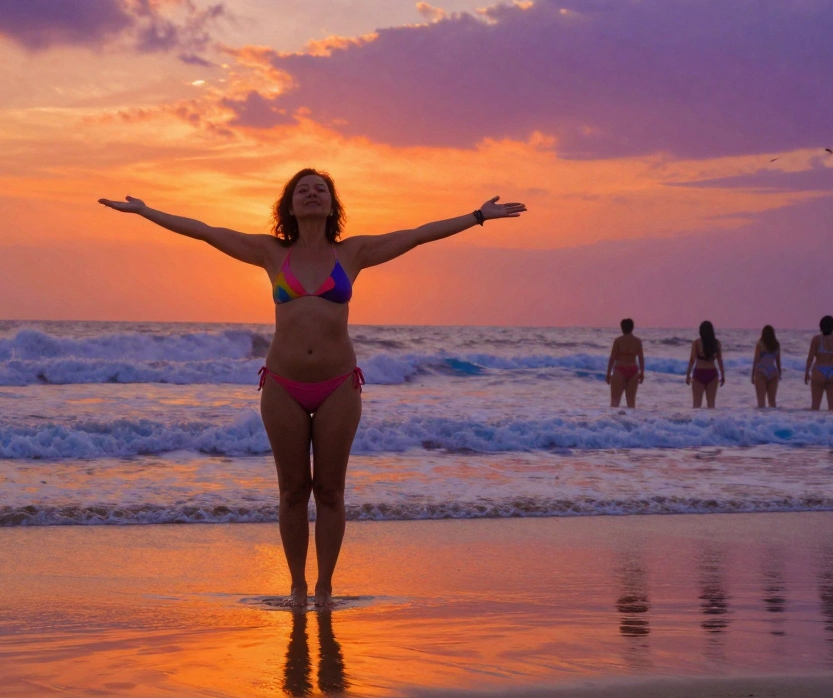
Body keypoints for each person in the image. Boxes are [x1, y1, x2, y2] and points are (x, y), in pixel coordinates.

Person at [100, 169, 526, 608]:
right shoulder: (269, 252)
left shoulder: (353, 253)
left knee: (330, 490)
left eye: (319, 189)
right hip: (283, 385)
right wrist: (146, 213)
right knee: (291, 491)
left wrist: (478, 215)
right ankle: (297, 587)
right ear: (289, 204)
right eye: (302, 190)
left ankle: (324, 587)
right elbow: (207, 232)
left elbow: (417, 235)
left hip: (338, 385)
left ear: (331, 203)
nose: (311, 194)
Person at [805, 315, 833, 411]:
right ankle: (832, 425)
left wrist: (806, 373)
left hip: (819, 370)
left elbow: (810, 358)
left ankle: (816, 425)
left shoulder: (816, 339)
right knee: (832, 406)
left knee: (815, 406)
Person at [685, 321, 725, 408]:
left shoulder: (696, 343)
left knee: (696, 404)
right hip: (712, 374)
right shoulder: (716, 343)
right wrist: (723, 375)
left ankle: (696, 421)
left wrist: (688, 375)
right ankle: (710, 421)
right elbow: (719, 360)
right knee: (711, 404)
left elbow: (692, 360)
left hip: (699, 373)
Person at [606, 318, 644, 408]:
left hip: (620, 369)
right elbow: (641, 358)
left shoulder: (618, 340)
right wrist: (642, 372)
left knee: (615, 401)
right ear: (632, 327)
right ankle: (631, 421)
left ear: (622, 328)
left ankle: (613, 421)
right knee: (631, 401)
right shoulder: (637, 341)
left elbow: (612, 358)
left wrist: (608, 373)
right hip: (633, 370)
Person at [751, 325, 783, 408]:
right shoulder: (776, 345)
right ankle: (773, 420)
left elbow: (756, 360)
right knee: (772, 401)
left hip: (762, 371)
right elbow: (778, 361)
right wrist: (779, 373)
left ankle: (763, 420)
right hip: (773, 371)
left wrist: (752, 374)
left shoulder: (760, 344)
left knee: (761, 402)